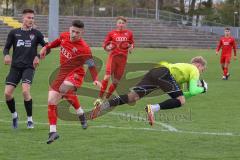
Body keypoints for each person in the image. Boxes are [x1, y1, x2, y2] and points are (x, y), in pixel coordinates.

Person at [90, 56, 208, 126]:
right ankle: (153, 108)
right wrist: (203, 89)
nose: (201, 73)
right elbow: (192, 91)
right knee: (180, 100)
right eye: (203, 69)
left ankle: (103, 106)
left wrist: (195, 91)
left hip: (156, 72)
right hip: (164, 74)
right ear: (199, 65)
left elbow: (182, 96)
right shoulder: (194, 69)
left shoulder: (183, 70)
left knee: (132, 97)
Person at [40, 20, 101, 144]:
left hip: (76, 75)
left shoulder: (84, 48)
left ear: (82, 33)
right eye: (72, 31)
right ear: (69, 29)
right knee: (51, 100)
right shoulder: (64, 36)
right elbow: (57, 42)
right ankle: (53, 132)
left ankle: (80, 114)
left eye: (77, 33)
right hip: (62, 73)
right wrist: (46, 48)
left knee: (63, 89)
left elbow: (91, 65)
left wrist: (95, 79)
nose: (73, 34)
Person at [3, 9, 46, 129]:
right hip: (15, 67)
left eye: (32, 18)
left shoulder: (37, 34)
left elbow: (47, 47)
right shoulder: (14, 33)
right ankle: (14, 116)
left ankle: (30, 120)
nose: (31, 20)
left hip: (29, 67)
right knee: (7, 94)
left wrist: (38, 56)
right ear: (23, 18)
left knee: (25, 91)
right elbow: (6, 48)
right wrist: (6, 55)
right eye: (28, 17)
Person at [98, 16, 134, 100]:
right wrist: (107, 48)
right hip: (113, 58)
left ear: (125, 24)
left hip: (123, 60)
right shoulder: (111, 33)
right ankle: (100, 97)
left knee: (116, 81)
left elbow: (132, 43)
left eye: (123, 23)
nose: (121, 24)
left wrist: (131, 47)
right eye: (119, 22)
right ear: (116, 23)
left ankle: (107, 97)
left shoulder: (129, 33)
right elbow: (105, 44)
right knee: (107, 77)